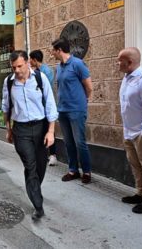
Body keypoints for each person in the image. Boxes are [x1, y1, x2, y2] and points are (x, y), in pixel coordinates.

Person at [2, 50, 58, 220]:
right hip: (21, 130)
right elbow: (6, 106)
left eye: (19, 65)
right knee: (30, 165)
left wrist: (50, 131)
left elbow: (50, 104)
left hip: (41, 127)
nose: (17, 70)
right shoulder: (9, 82)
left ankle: (34, 189)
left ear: (27, 62)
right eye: (13, 67)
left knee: (41, 164)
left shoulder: (40, 79)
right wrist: (8, 129)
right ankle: (38, 205)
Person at [51, 37, 93, 184]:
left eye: (53, 51)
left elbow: (89, 87)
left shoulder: (78, 64)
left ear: (59, 50)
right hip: (62, 110)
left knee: (80, 142)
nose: (52, 54)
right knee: (68, 142)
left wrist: (83, 102)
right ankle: (73, 170)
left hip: (76, 110)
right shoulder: (58, 68)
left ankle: (86, 172)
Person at [117, 47, 142, 214]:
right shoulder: (127, 78)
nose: (117, 63)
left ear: (129, 62)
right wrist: (126, 130)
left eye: (120, 60)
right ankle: (140, 193)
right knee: (136, 165)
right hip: (129, 131)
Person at [29, 50, 57, 167]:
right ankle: (44, 154)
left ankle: (53, 155)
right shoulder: (35, 72)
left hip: (46, 107)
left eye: (30, 59)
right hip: (39, 108)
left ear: (35, 60)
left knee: (49, 130)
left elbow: (46, 91)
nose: (29, 61)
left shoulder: (46, 72)